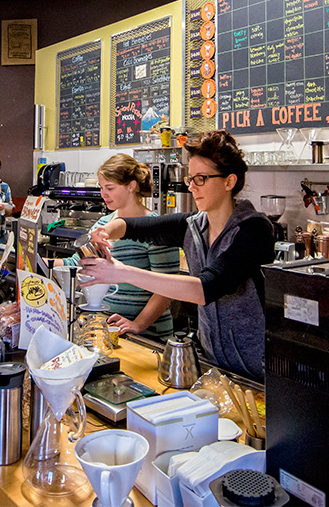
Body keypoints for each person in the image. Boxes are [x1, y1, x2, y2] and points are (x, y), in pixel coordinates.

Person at [79, 130, 275, 380]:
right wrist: (106, 230)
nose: (192, 187)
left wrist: (121, 272)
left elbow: (204, 289)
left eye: (201, 178)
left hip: (256, 370)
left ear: (229, 182)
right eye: (190, 178)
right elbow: (135, 226)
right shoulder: (192, 226)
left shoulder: (254, 230)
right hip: (214, 365)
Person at [63, 154, 179, 341]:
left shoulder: (156, 228)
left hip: (148, 336)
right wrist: (39, 262)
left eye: (110, 188)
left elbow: (167, 288)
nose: (103, 194)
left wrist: (138, 324)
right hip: (111, 328)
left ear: (131, 186)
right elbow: (76, 263)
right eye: (101, 188)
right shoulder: (102, 224)